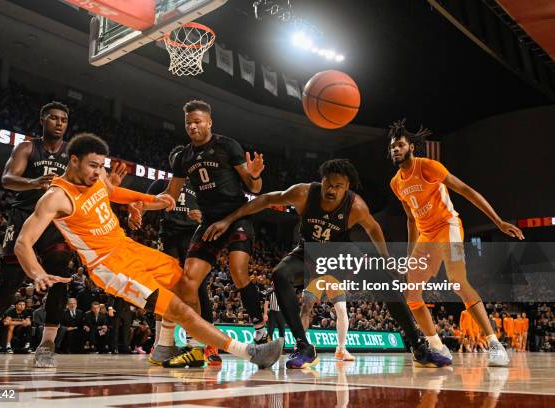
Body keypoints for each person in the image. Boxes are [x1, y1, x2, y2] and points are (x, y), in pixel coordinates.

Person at [13, 132, 283, 369]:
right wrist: (36, 273)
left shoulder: (97, 177)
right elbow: (23, 242)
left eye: (101, 166)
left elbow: (113, 193)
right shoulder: (56, 197)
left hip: (129, 248)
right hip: (109, 266)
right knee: (178, 308)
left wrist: (151, 201)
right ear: (73, 161)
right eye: (93, 165)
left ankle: (164, 347)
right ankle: (249, 353)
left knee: (185, 281)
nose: (98, 171)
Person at [204, 159, 443, 368]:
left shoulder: (356, 206)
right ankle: (304, 346)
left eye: (339, 186)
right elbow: (266, 199)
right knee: (279, 274)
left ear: (347, 187)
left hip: (341, 254)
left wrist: (387, 261)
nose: (332, 190)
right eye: (329, 183)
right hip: (308, 252)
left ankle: (418, 345)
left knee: (386, 281)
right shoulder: (304, 193)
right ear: (322, 180)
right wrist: (229, 219)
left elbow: (374, 228)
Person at [0, 102, 127, 368]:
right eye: (53, 118)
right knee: (11, 281)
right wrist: (33, 182)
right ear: (43, 121)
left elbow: (92, 186)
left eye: (63, 119)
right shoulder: (27, 148)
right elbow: (7, 178)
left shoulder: (72, 154)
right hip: (24, 217)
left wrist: (118, 195)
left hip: (57, 222)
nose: (59, 123)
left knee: (60, 280)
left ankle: (47, 344)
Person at [388, 119, 524, 366]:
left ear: (411, 148)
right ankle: (438, 347)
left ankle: (495, 344)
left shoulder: (428, 167)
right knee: (411, 294)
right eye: (392, 147)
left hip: (447, 227)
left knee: (458, 282)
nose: (395, 150)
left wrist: (498, 221)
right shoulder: (396, 183)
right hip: (426, 235)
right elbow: (410, 219)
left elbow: (467, 191)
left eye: (399, 145)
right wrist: (410, 257)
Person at [153, 100, 268, 367]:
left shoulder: (228, 146)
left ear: (209, 122)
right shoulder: (184, 158)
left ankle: (260, 328)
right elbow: (169, 196)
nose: (192, 126)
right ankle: (197, 347)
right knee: (187, 283)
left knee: (238, 269)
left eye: (197, 121)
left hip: (237, 216)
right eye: (188, 123)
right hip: (209, 223)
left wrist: (254, 175)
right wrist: (138, 204)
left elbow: (256, 188)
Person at [135, 146, 219, 365]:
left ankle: (207, 345)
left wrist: (203, 217)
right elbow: (144, 201)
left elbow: (215, 217)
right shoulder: (163, 184)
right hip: (170, 238)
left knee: (198, 289)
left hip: (194, 238)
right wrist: (138, 213)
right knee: (167, 288)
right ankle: (162, 343)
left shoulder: (201, 188)